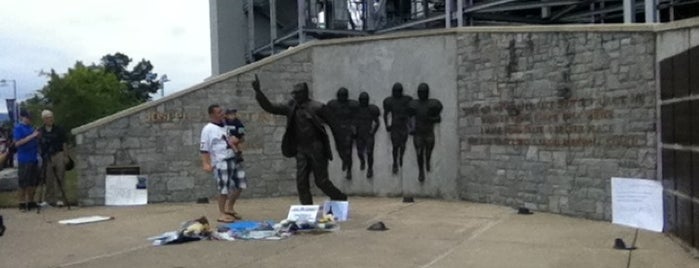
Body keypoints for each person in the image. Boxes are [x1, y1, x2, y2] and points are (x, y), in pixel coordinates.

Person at [252, 74, 347, 205]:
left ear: (304, 93)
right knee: (301, 182)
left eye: (297, 93)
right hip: (301, 149)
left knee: (322, 182)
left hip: (316, 148)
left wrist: (341, 148)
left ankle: (340, 198)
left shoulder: (318, 107)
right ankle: (307, 210)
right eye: (293, 93)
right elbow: (270, 107)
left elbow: (335, 126)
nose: (294, 96)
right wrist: (258, 92)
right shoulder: (290, 107)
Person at [200, 104, 246, 223]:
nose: (222, 114)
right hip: (221, 161)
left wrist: (238, 139)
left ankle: (229, 208)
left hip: (234, 158)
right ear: (212, 115)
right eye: (219, 112)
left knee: (240, 185)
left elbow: (240, 136)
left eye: (222, 111)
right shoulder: (208, 129)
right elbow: (204, 148)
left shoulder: (228, 125)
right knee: (223, 188)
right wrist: (206, 163)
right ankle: (221, 213)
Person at [408, 83, 443, 182]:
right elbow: (408, 118)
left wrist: (430, 118)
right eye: (421, 92)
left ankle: (427, 161)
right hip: (418, 132)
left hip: (428, 132)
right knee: (419, 152)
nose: (422, 94)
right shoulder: (413, 104)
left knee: (428, 151)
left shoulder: (433, 104)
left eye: (424, 92)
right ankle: (421, 171)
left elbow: (438, 118)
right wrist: (411, 128)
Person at [325, 87, 359, 180]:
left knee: (348, 151)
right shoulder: (333, 104)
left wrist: (354, 127)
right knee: (339, 149)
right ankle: (344, 160)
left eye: (344, 95)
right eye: (341, 95)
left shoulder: (352, 105)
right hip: (338, 130)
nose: (342, 97)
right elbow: (326, 114)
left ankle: (349, 171)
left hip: (348, 129)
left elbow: (358, 116)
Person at [38, 110, 69, 207]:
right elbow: (39, 143)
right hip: (47, 155)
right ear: (43, 119)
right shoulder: (40, 130)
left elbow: (64, 143)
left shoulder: (59, 129)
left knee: (60, 176)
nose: (50, 119)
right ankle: (48, 199)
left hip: (58, 153)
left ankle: (60, 199)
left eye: (51, 117)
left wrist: (65, 155)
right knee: (48, 178)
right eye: (47, 117)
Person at [13, 110, 40, 211]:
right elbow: (17, 143)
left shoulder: (31, 128)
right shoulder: (18, 128)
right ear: (22, 117)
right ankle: (22, 203)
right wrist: (32, 136)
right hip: (24, 158)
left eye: (30, 118)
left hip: (34, 157)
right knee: (23, 182)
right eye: (27, 117)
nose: (29, 119)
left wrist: (37, 136)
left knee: (33, 182)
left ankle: (31, 201)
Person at [383, 82, 412, 174]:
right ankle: (395, 162)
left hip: (403, 125)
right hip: (395, 125)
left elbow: (411, 113)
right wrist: (387, 124)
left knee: (403, 145)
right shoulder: (390, 101)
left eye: (398, 91)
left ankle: (401, 157)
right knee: (395, 146)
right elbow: (385, 114)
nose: (397, 93)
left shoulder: (406, 100)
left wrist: (411, 125)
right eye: (395, 91)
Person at [354, 92, 380, 178]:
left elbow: (377, 122)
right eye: (362, 100)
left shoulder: (371, 110)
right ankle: (362, 161)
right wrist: (354, 131)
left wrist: (373, 132)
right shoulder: (356, 110)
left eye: (365, 100)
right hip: (359, 134)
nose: (364, 102)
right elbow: (352, 122)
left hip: (368, 134)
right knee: (360, 152)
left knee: (369, 152)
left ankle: (370, 169)